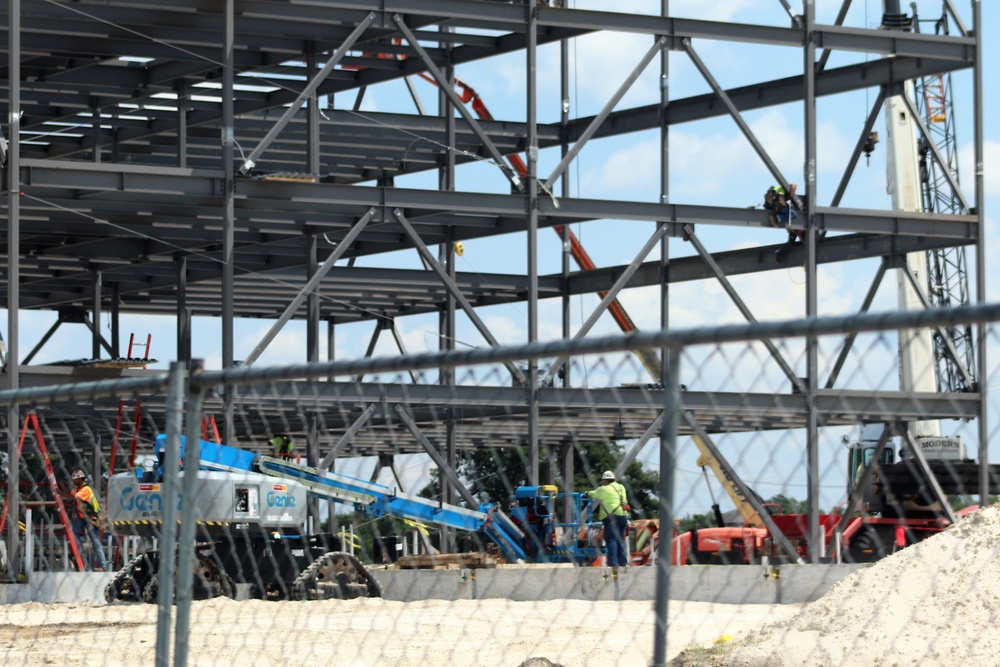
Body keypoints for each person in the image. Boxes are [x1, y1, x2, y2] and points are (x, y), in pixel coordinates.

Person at [587, 470, 630, 570]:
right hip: (623, 515)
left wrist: (586, 493)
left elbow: (594, 494)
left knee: (611, 539)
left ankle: (613, 562)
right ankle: (623, 562)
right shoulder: (621, 487)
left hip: (611, 517)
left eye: (603, 481)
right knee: (621, 540)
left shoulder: (604, 489)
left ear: (605, 480)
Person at [70, 469, 108, 572]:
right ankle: (81, 560)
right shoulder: (78, 489)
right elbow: (71, 496)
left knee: (95, 541)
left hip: (92, 518)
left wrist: (64, 489)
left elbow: (74, 497)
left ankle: (103, 565)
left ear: (80, 480)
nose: (74, 481)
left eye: (75, 479)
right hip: (83, 516)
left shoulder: (85, 489)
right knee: (73, 532)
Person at [763, 183, 803, 263]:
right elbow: (794, 185)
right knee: (794, 215)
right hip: (780, 208)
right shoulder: (783, 189)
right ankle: (777, 218)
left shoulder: (777, 189)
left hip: (777, 207)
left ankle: (779, 252)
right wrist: (790, 196)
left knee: (791, 242)